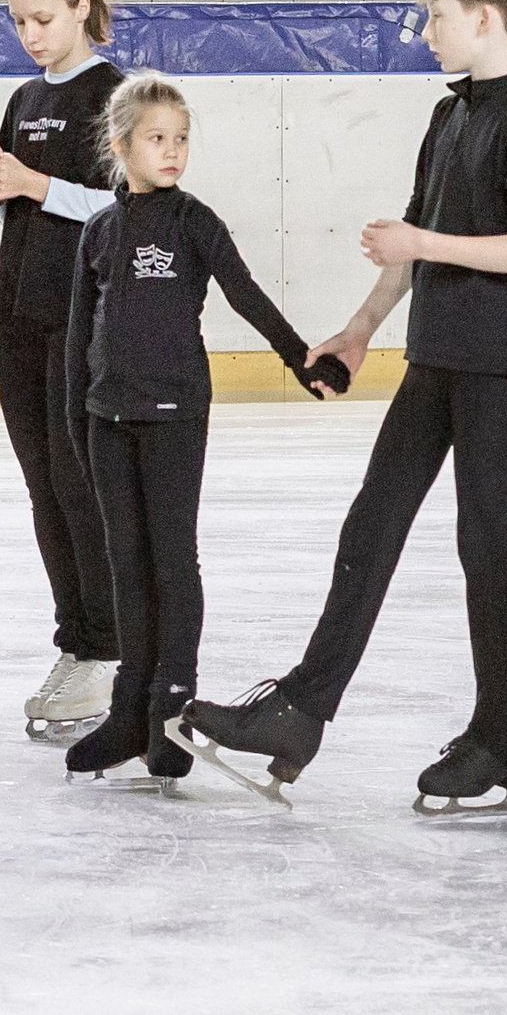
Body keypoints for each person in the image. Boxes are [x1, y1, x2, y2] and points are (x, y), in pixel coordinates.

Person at [174, 0, 507, 816]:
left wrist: (419, 245)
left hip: (494, 363)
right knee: (372, 522)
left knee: (485, 547)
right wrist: (357, 331)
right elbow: (417, 235)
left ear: (484, 19)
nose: (425, 31)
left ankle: (503, 739)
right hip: (435, 356)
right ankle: (302, 711)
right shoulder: (450, 116)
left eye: (437, 16)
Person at [60, 73, 345, 787]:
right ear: (121, 145)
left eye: (182, 139)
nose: (174, 151)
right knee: (127, 565)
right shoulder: (99, 230)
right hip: (106, 420)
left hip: (174, 417)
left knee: (171, 561)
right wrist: (77, 422)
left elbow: (246, 295)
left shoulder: (193, 222)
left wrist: (301, 359)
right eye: (158, 139)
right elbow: (75, 341)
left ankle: (171, 705)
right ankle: (130, 708)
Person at [0, 0, 127, 740]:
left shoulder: (116, 94)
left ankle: (106, 644)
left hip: (82, 314)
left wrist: (36, 185)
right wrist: (4, 190)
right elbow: (24, 205)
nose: (30, 34)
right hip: (19, 309)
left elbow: (130, 206)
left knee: (78, 482)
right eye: (19, 20)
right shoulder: (25, 98)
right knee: (42, 484)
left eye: (42, 18)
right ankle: (76, 637)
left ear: (80, 9)